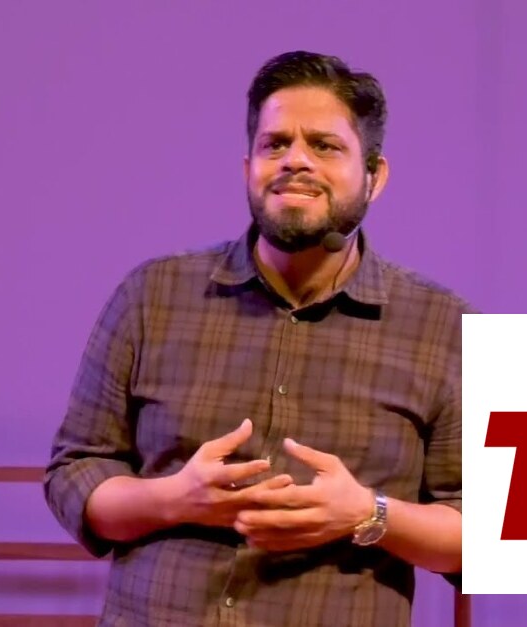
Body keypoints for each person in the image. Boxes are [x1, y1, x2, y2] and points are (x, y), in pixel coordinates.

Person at [43, 50, 471, 627]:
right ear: (249, 167)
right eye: (276, 144)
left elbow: (485, 534)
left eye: (325, 145)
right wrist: (173, 499)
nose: (296, 160)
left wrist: (367, 514)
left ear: (375, 176)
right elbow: (75, 473)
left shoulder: (444, 326)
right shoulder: (153, 294)